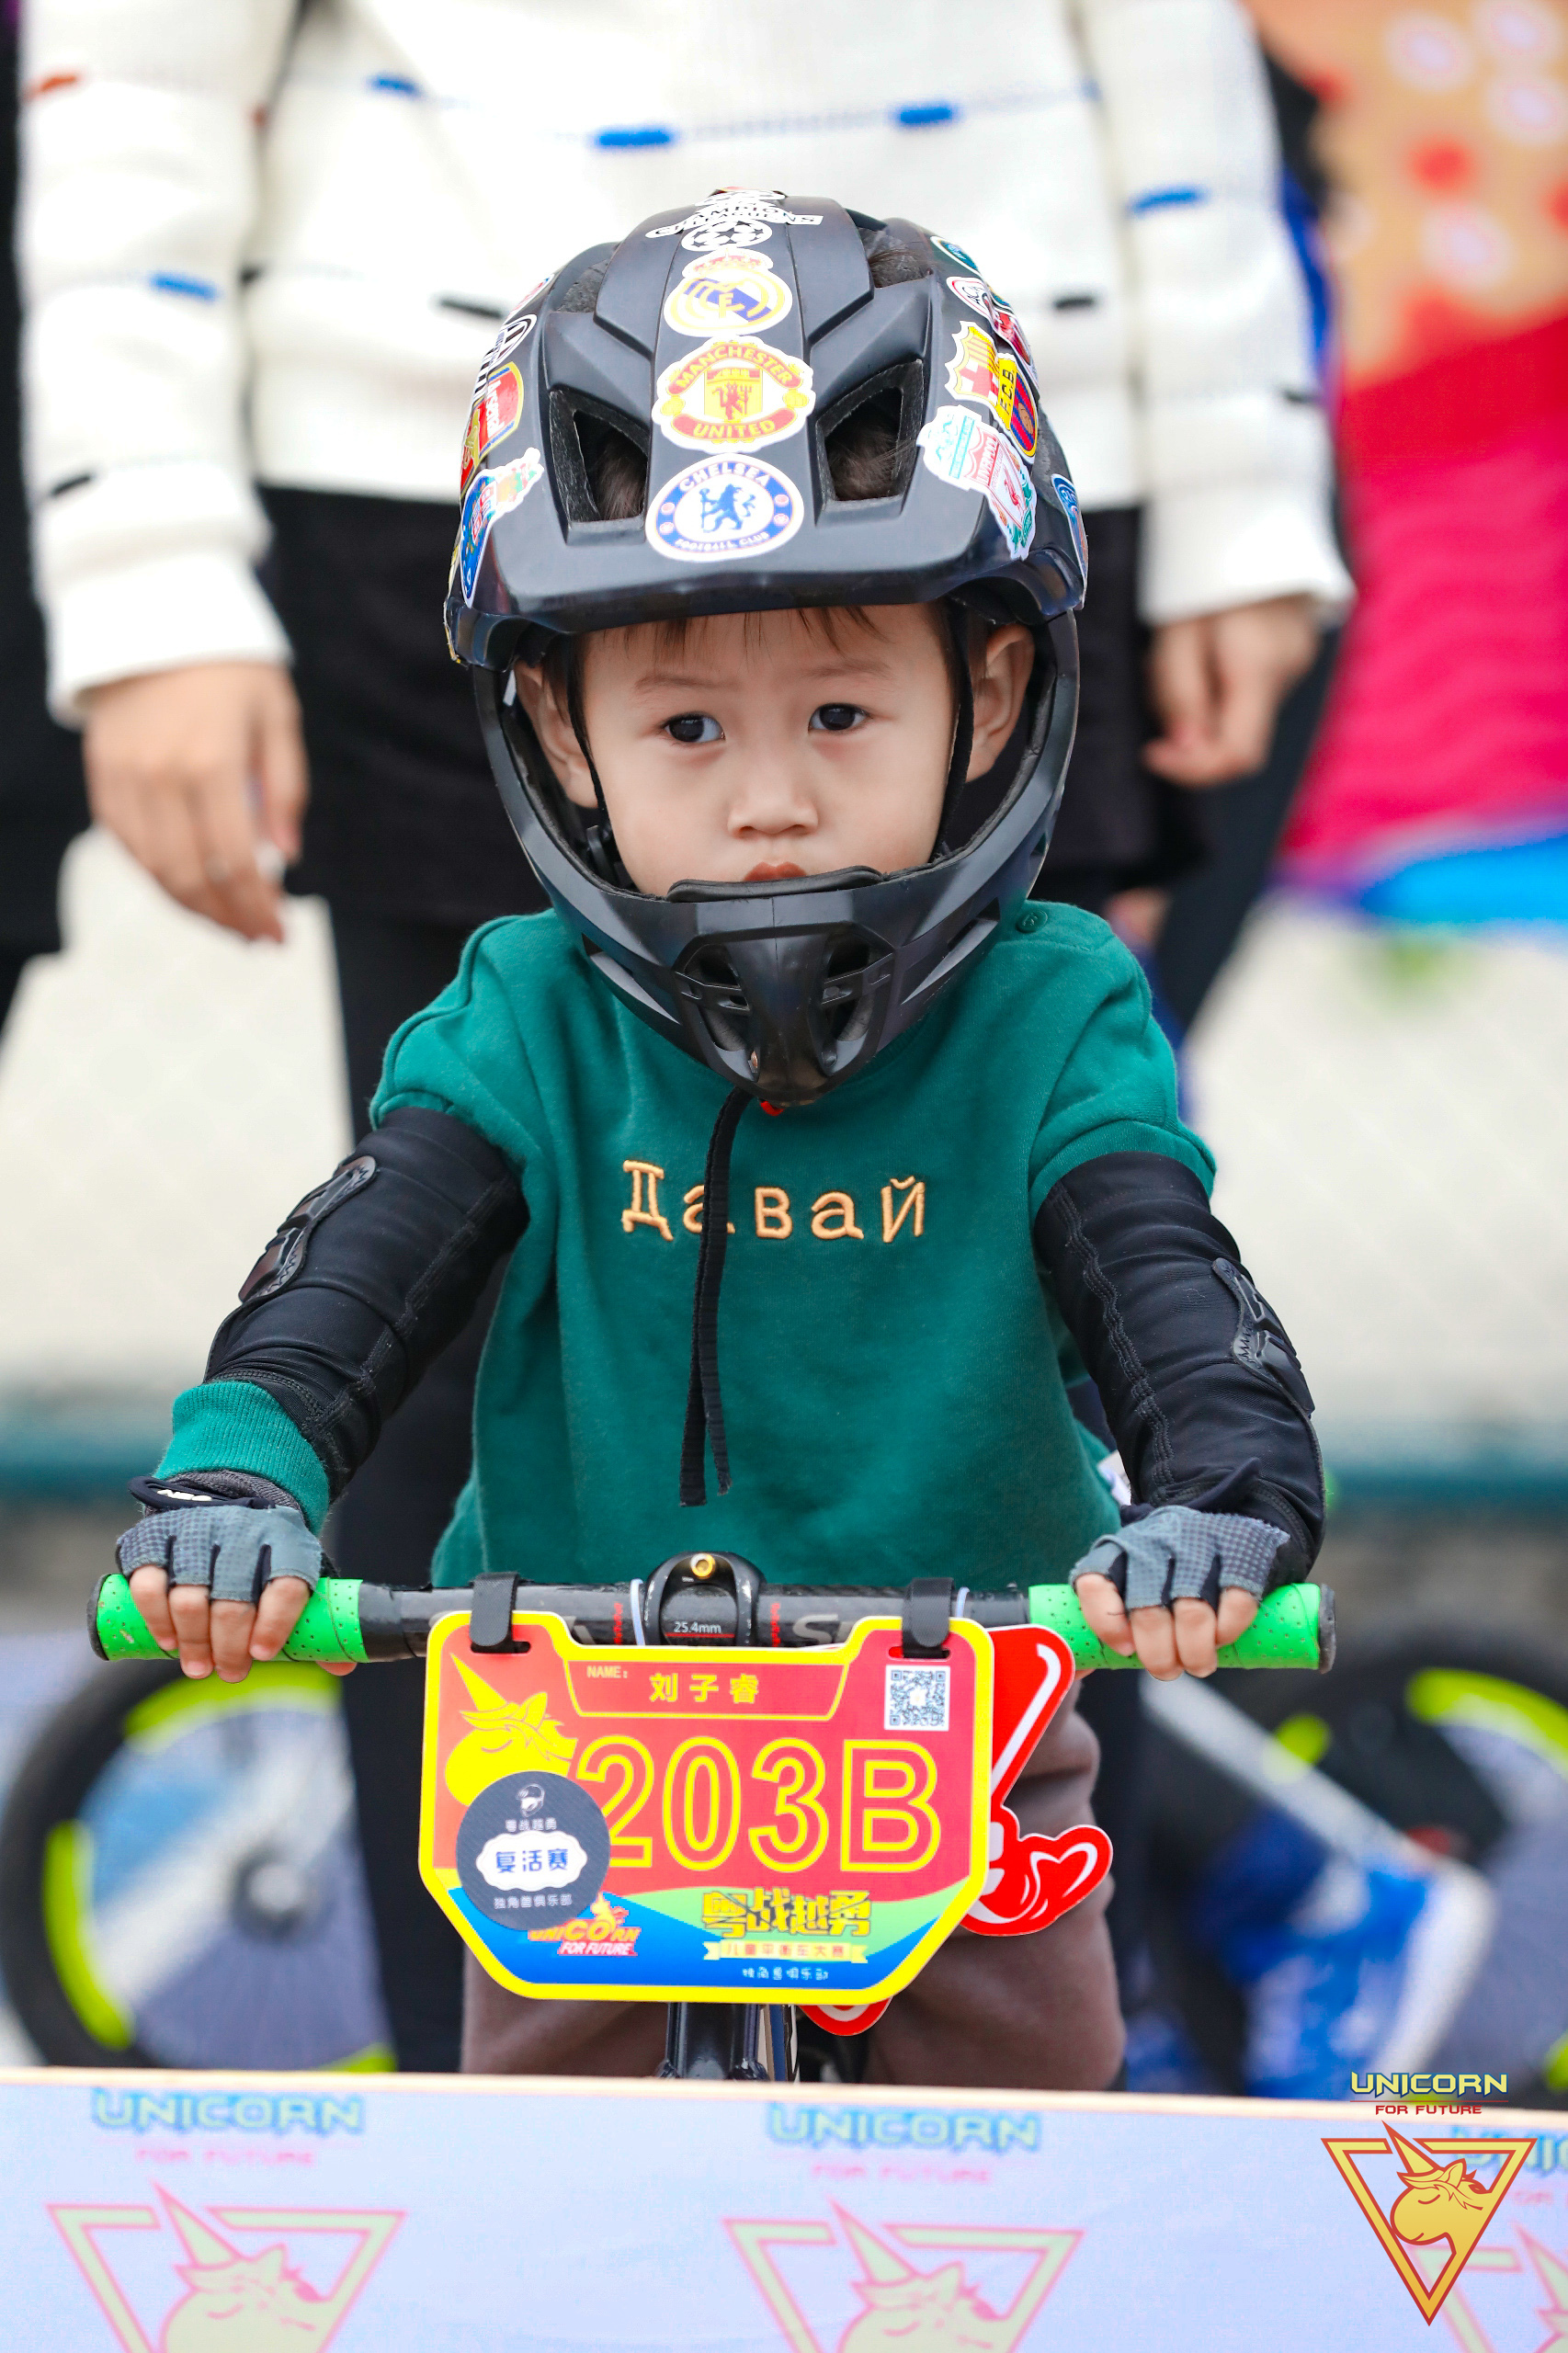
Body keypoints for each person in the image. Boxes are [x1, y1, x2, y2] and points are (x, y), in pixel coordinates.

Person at [107, 201, 1324, 2087]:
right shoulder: (521, 1015)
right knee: (559, 2182)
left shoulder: (1052, 1010)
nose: (769, 800)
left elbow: (1161, 1269)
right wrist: (239, 1469)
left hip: (965, 1725)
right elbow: (355, 1264)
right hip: (573, 1739)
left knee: (1027, 2156)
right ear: (555, 730)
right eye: (685, 725)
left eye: (841, 711)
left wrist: (1220, 1490)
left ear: (990, 695)